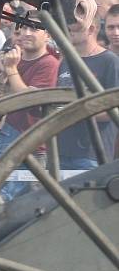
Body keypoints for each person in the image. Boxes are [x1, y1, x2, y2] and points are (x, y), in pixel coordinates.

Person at [0, 11, 60, 199]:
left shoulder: (49, 64)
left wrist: (12, 71)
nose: (27, 33)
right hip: (4, 144)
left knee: (18, 206)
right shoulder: (13, 60)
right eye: (24, 27)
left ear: (48, 34)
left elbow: (31, 102)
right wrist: (4, 74)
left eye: (35, 28)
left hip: (33, 149)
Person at [56, 16, 119, 168]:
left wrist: (73, 112)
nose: (69, 27)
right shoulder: (66, 61)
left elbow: (114, 110)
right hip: (61, 150)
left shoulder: (110, 61)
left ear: (91, 29)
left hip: (93, 153)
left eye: (75, 24)